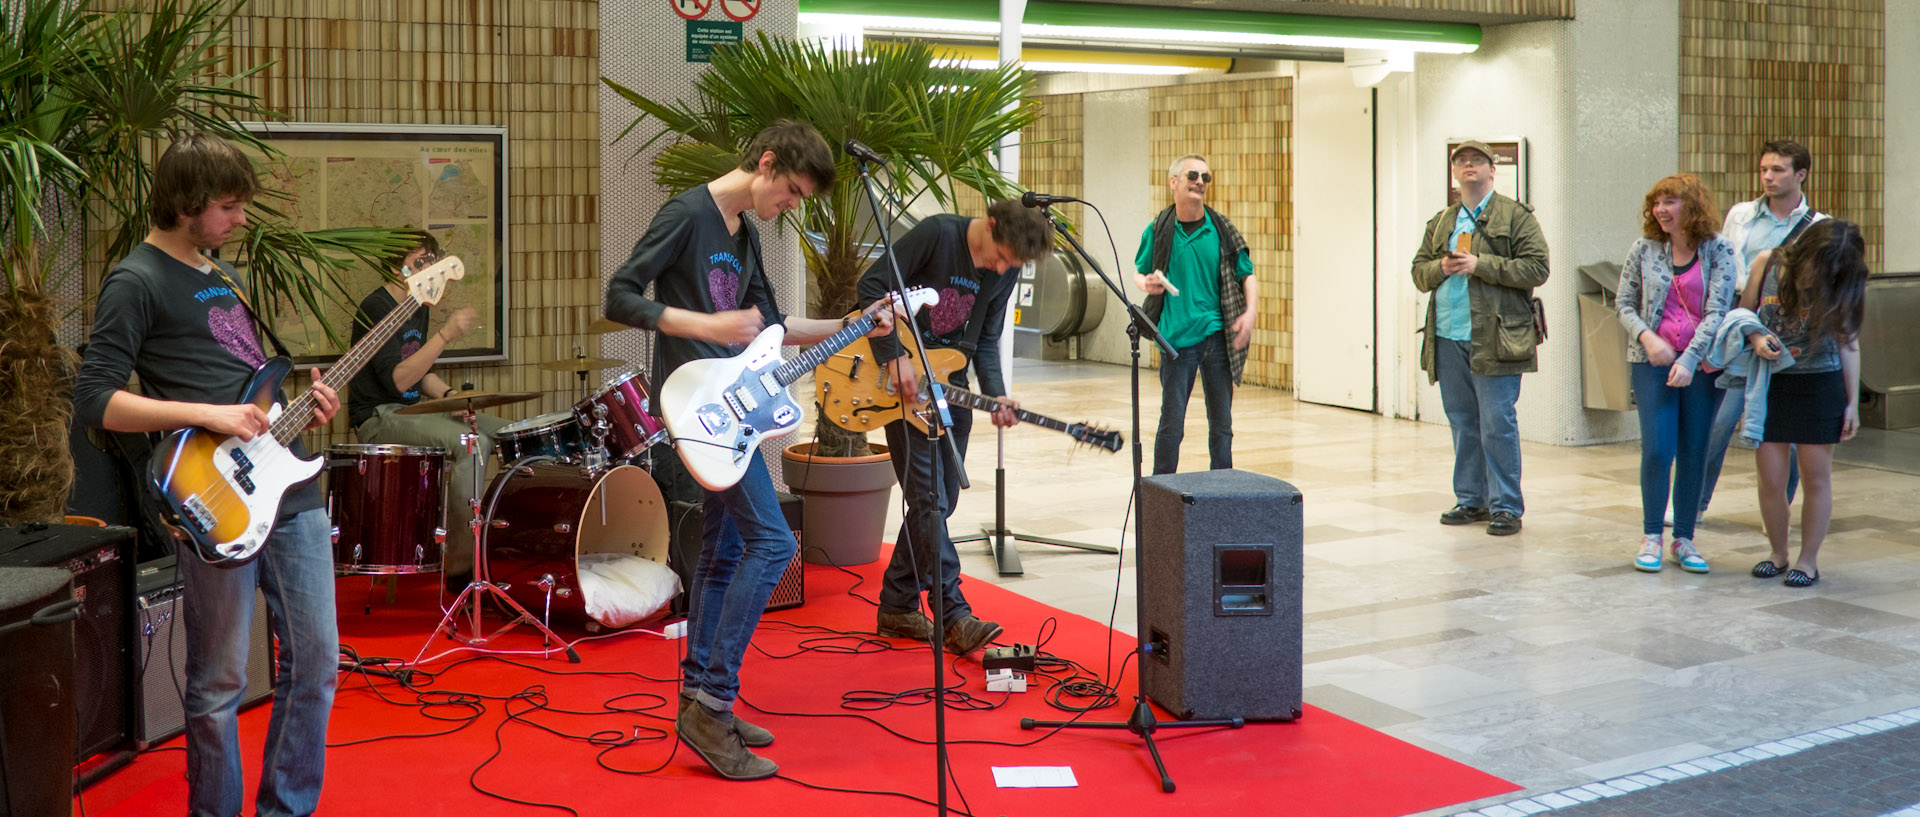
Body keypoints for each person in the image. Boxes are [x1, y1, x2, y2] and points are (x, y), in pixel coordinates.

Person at [603, 119, 891, 781]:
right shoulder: (686, 215)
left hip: (735, 413)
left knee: (727, 546)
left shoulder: (748, 232)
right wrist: (705, 324)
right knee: (774, 543)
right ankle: (713, 702)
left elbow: (776, 327)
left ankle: (700, 694)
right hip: (695, 404)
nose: (791, 205)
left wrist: (853, 324)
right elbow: (619, 294)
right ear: (765, 164)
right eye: (789, 190)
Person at [73, 133, 340, 817]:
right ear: (187, 205)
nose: (241, 218)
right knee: (219, 680)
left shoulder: (222, 274)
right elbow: (97, 398)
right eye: (228, 206)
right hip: (212, 496)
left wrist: (299, 410)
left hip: (290, 489)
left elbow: (251, 390)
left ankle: (287, 807)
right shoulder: (136, 280)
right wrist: (208, 415)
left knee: (316, 663)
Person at [857, 199, 1051, 656]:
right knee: (928, 499)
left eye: (1010, 264)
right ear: (988, 225)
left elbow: (984, 339)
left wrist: (997, 393)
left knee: (944, 499)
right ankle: (954, 614)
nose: (1001, 267)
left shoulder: (1003, 270)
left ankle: (898, 602)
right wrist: (894, 355)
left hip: (952, 388)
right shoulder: (938, 234)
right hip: (898, 387)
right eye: (999, 255)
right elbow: (871, 286)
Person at [346, 232, 505, 587]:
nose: (430, 268)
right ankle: (462, 567)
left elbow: (420, 371)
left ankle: (506, 546)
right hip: (378, 416)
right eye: (421, 262)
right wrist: (445, 336)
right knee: (471, 442)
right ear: (395, 266)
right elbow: (400, 379)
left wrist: (453, 398)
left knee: (506, 430)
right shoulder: (377, 307)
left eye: (432, 260)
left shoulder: (417, 305)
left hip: (410, 409)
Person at [1410, 140, 1551, 536]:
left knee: (1497, 423)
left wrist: (1480, 265)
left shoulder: (1516, 216)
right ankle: (1471, 499)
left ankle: (1506, 506)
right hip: (1446, 335)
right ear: (1454, 174)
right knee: (1462, 422)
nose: (1468, 165)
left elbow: (1537, 268)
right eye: (1461, 161)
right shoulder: (1441, 221)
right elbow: (1419, 273)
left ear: (1493, 170)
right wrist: (1440, 266)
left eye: (1477, 161)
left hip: (1496, 337)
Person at [1695, 139, 1827, 523]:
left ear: (1800, 174)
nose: (1768, 177)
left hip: (1787, 331)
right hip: (1739, 322)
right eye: (1764, 169)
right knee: (1717, 424)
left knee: (1782, 431)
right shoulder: (1741, 215)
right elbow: (1722, 267)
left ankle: (1778, 514)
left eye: (1779, 170)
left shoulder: (1819, 226)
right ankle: (1693, 503)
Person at [1616, 174, 1739, 573]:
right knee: (1658, 447)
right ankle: (1652, 534)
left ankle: (1684, 538)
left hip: (1701, 365)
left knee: (1694, 450)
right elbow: (1623, 303)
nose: (1660, 210)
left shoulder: (1719, 249)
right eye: (1656, 203)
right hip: (1651, 362)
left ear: (1692, 206)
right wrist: (1649, 338)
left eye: (1670, 201)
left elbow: (1718, 311)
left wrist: (1689, 360)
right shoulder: (1645, 249)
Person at [1739, 219, 1867, 587]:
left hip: (1821, 383)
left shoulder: (1844, 281)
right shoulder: (1767, 263)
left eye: (1831, 271)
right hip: (1772, 381)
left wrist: (1851, 404)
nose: (1819, 276)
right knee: (1771, 477)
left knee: (1816, 477)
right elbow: (1743, 316)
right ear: (1804, 253)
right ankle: (1777, 554)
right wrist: (1755, 338)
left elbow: (1849, 343)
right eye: (1817, 266)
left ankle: (1807, 560)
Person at [1134, 154, 1257, 476]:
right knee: (1171, 423)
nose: (1200, 181)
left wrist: (1250, 314)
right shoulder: (1160, 228)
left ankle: (1223, 486)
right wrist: (1146, 284)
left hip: (1216, 335)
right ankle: (1162, 486)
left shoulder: (1221, 228)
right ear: (1173, 182)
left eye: (1205, 177)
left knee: (1221, 424)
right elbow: (1140, 272)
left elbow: (1248, 275)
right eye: (1192, 174)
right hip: (1175, 341)